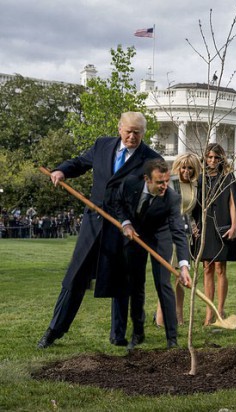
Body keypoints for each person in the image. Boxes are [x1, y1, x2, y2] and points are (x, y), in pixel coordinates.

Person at [37, 112, 162, 349]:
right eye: (128, 131)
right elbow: (80, 163)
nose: (132, 136)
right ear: (119, 129)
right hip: (94, 222)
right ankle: (54, 330)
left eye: (138, 132)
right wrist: (62, 170)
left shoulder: (151, 160)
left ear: (144, 133)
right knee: (75, 278)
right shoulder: (102, 145)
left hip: (125, 228)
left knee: (121, 283)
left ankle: (118, 335)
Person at [112, 159, 192, 350]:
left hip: (160, 236)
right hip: (135, 235)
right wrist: (126, 223)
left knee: (163, 284)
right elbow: (118, 203)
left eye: (166, 181)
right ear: (147, 179)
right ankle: (137, 333)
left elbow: (179, 233)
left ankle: (172, 339)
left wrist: (183, 266)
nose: (165, 186)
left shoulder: (172, 198)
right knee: (136, 285)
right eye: (159, 182)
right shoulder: (130, 184)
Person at [192, 143, 236, 325]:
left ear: (221, 159)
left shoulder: (227, 177)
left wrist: (234, 226)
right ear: (205, 158)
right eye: (209, 157)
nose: (212, 161)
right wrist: (194, 225)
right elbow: (193, 204)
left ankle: (220, 309)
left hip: (222, 225)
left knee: (220, 268)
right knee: (207, 267)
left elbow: (233, 203)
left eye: (216, 157)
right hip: (205, 225)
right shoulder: (200, 179)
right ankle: (209, 311)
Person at [154, 153, 201, 328]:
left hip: (184, 235)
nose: (186, 171)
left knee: (182, 277)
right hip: (167, 234)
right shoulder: (169, 183)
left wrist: (195, 225)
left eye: (190, 168)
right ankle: (160, 317)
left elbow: (194, 212)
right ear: (177, 167)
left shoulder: (195, 186)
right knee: (167, 276)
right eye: (183, 167)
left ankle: (179, 315)